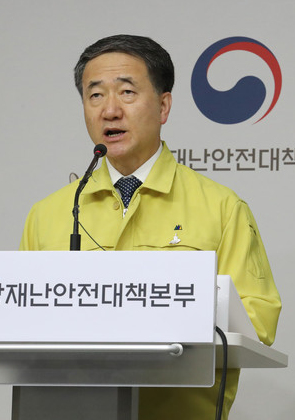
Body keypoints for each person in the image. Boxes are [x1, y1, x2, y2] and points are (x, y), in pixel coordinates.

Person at [20, 34, 281, 419]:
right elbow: (21, 322)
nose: (110, 110)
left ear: (163, 106)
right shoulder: (48, 214)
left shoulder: (221, 208)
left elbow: (257, 323)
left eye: (127, 92)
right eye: (95, 95)